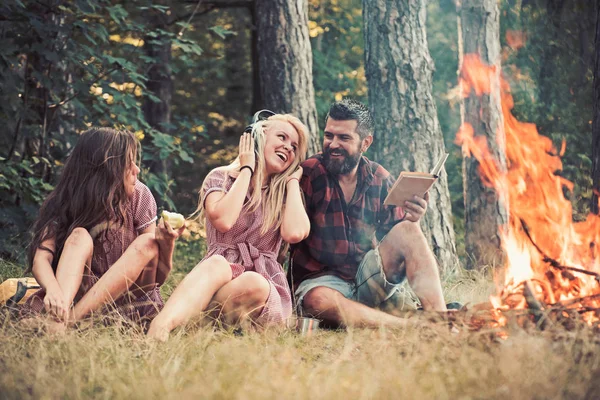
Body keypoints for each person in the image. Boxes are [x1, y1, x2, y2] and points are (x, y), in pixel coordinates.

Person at [147, 112, 310, 341]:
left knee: (255, 283)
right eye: (282, 137)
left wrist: (293, 181)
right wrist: (247, 169)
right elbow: (224, 220)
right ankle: (161, 327)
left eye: (294, 147)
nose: (288, 148)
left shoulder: (284, 196)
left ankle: (192, 325)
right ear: (257, 137)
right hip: (217, 280)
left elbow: (294, 233)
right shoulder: (221, 178)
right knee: (217, 263)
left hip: (260, 291)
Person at [291, 99, 448, 329]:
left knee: (408, 229)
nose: (333, 144)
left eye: (344, 138)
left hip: (365, 277)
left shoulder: (378, 176)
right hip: (320, 283)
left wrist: (413, 218)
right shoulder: (308, 174)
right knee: (318, 300)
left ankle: (440, 319)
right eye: (329, 136)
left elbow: (399, 238)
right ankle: (412, 327)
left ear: (365, 143)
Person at [22, 127, 183, 331]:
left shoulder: (140, 196)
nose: (137, 169)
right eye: (128, 163)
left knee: (147, 242)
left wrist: (167, 243)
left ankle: (66, 323)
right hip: (77, 294)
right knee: (79, 236)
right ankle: (61, 318)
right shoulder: (66, 199)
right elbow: (41, 258)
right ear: (106, 169)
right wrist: (52, 290)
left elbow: (157, 280)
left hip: (127, 300)